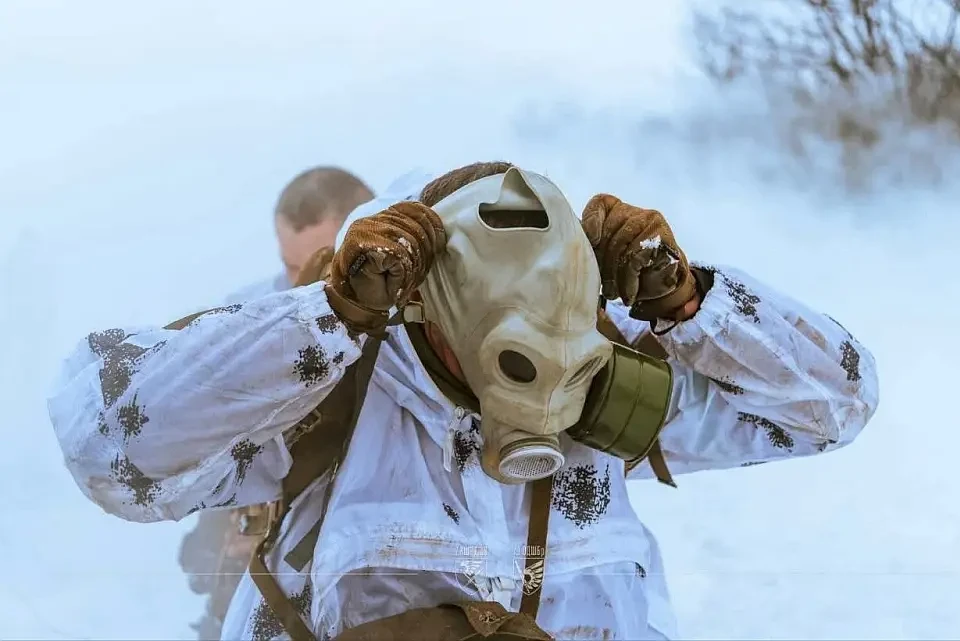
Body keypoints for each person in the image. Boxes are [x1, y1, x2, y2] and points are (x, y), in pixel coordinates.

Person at [47, 161, 879, 641]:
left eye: (559, 330)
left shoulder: (606, 378)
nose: (542, 384)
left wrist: (692, 304)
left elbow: (835, 403)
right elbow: (108, 445)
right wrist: (328, 320)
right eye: (504, 348)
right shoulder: (334, 376)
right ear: (424, 308)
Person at [176, 165, 375, 640]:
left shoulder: (412, 335)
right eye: (289, 264)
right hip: (254, 565)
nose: (302, 283)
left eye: (324, 263)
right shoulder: (249, 317)